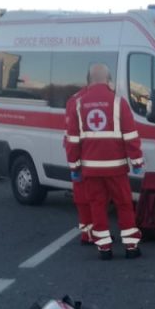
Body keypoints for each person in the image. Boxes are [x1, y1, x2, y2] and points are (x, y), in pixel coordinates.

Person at [65, 63, 144, 260]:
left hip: (90, 170)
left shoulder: (77, 103)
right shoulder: (118, 102)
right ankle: (131, 247)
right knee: (124, 205)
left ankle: (104, 248)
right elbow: (131, 136)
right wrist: (136, 162)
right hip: (116, 168)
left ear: (89, 80)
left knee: (97, 206)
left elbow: (72, 140)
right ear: (108, 80)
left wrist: (74, 166)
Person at [63, 78, 96, 244]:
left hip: (76, 154)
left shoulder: (73, 99)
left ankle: (86, 233)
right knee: (96, 198)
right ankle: (95, 233)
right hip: (90, 155)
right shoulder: (93, 99)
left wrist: (73, 163)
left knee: (82, 198)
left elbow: (69, 135)